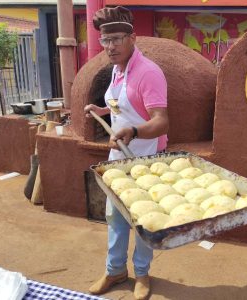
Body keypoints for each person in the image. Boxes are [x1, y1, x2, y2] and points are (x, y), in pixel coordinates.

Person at [84, 6, 169, 300]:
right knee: (116, 218)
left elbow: (161, 121)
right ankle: (115, 270)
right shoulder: (118, 70)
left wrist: (133, 132)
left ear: (133, 38)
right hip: (119, 158)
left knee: (143, 220)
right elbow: (123, 104)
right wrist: (103, 110)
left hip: (146, 159)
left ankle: (142, 274)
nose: (110, 47)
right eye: (105, 41)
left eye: (117, 39)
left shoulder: (149, 73)